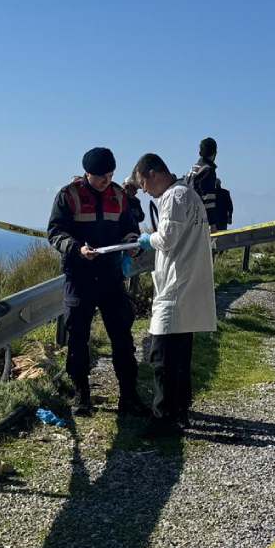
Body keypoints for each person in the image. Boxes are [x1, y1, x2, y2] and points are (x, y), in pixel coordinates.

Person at [48, 147, 150, 416]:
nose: (106, 180)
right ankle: (81, 397)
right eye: (101, 176)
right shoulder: (68, 195)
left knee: (122, 338)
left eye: (110, 174)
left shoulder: (118, 195)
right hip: (79, 277)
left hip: (111, 277)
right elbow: (55, 232)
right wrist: (76, 248)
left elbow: (130, 228)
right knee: (78, 338)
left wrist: (132, 244)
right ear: (87, 174)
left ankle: (129, 396)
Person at [134, 153, 218, 435]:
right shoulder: (189, 194)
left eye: (143, 183)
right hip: (187, 283)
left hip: (177, 285)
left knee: (162, 357)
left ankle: (164, 417)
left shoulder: (173, 197)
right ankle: (180, 410)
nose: (145, 190)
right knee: (180, 356)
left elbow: (167, 238)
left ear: (154, 173)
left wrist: (147, 239)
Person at [182, 137, 234, 231]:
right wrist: (212, 224)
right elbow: (208, 199)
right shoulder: (207, 170)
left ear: (200, 153)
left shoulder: (194, 168)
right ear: (215, 153)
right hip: (198, 220)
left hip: (187, 217)